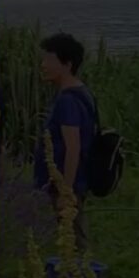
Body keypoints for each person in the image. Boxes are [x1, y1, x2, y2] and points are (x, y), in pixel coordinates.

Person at [33, 33, 95, 251]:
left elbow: (73, 147)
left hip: (69, 184)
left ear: (67, 64)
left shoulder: (68, 100)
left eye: (49, 60)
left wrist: (66, 192)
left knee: (74, 240)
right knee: (71, 238)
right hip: (69, 182)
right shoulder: (79, 93)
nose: (44, 65)